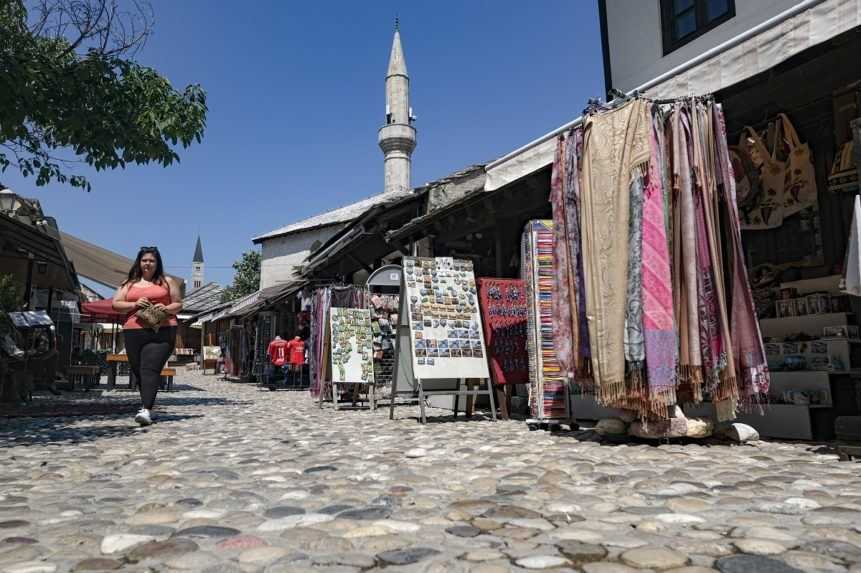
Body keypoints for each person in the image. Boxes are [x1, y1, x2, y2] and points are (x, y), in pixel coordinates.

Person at [112, 247, 182, 426]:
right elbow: (116, 304)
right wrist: (134, 303)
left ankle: (146, 409)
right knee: (139, 370)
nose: (148, 263)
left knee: (149, 368)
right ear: (139, 262)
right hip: (133, 330)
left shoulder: (167, 281)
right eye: (144, 260)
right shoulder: (128, 283)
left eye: (151, 260)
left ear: (157, 263)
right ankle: (148, 407)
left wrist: (165, 308)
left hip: (163, 330)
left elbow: (178, 304)